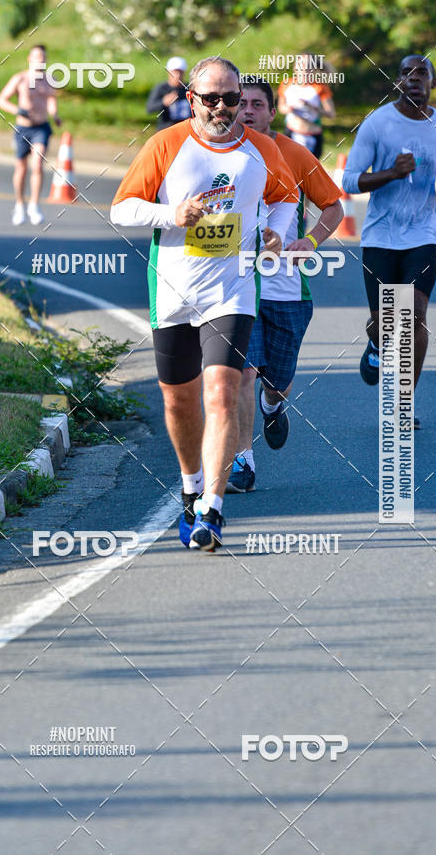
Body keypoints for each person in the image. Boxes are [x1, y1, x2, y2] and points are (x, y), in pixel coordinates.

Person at [111, 57, 299, 551]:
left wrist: (277, 233)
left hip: (232, 289)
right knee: (178, 399)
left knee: (221, 391)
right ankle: (191, 485)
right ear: (191, 98)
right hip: (173, 290)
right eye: (211, 98)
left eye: (231, 99)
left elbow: (285, 197)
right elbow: (123, 207)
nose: (222, 108)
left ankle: (212, 509)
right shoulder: (167, 144)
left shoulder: (259, 148)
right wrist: (171, 214)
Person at [227, 77, 343, 493]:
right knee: (243, 371)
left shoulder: (293, 153)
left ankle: (272, 404)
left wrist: (309, 242)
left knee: (277, 380)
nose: (248, 111)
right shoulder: (222, 152)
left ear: (273, 112)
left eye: (257, 104)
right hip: (238, 285)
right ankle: (243, 458)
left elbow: (334, 206)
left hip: (287, 289)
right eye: (241, 103)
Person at [343, 54, 436, 428]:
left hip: (423, 234)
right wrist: (390, 173)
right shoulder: (378, 123)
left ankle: (403, 403)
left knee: (413, 315)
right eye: (406, 74)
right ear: (397, 82)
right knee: (385, 321)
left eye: (422, 74)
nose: (414, 80)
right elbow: (349, 181)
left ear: (432, 83)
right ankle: (378, 343)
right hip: (380, 235)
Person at [0, 44, 61, 226]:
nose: (41, 60)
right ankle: (19, 205)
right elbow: (1, 100)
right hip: (23, 128)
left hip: (41, 127)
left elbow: (51, 101)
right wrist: (18, 110)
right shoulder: (20, 79)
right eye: (37, 57)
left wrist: (54, 115)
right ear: (30, 59)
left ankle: (34, 205)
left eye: (44, 57)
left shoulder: (50, 80)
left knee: (38, 163)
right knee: (21, 168)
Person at [277, 54, 335, 159]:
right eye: (301, 65)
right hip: (292, 132)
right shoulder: (286, 84)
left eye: (308, 66)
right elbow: (281, 107)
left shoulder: (320, 86)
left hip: (312, 134)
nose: (304, 70)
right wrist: (290, 108)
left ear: (313, 69)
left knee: (310, 171)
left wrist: (312, 107)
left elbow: (331, 114)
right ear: (295, 67)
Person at [146, 57, 192, 130]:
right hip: (167, 130)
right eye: (174, 72)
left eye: (180, 72)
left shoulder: (190, 88)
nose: (177, 75)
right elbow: (149, 109)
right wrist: (163, 102)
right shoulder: (161, 88)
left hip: (187, 130)